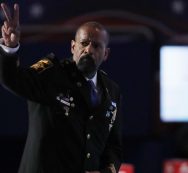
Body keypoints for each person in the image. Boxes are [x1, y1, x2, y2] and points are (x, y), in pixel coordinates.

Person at [0, 3, 122, 173]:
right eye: (84, 43)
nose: (88, 49)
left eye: (96, 46)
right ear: (73, 47)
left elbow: (114, 145)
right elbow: (13, 79)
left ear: (106, 53)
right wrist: (10, 49)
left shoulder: (112, 90)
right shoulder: (52, 73)